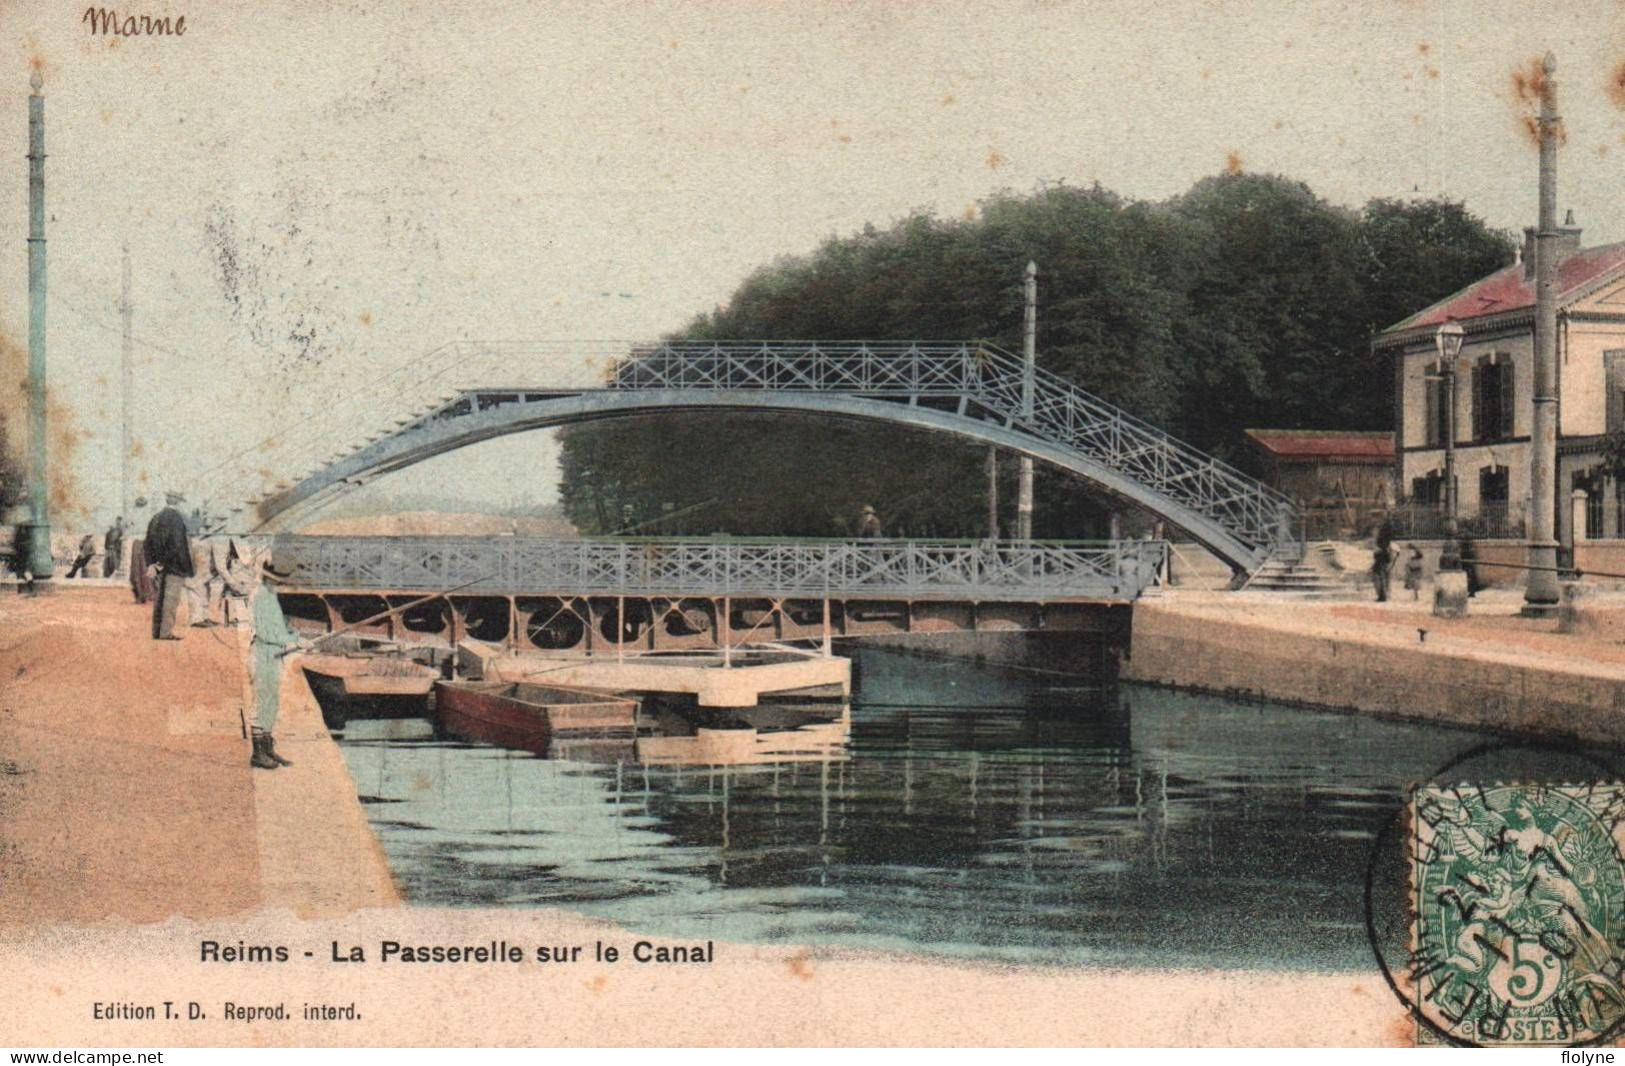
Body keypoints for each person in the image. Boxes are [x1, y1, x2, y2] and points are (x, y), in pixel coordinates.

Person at [248, 559, 307, 769]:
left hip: (275, 653)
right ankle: (257, 753)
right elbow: (266, 632)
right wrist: (293, 640)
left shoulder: (272, 595)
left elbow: (281, 625)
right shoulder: (261, 596)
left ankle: (267, 747)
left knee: (272, 700)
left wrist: (294, 634)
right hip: (262, 652)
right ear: (270, 578)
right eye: (281, 581)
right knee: (262, 699)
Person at [145, 491, 194, 640]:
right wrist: (164, 562)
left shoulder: (155, 518)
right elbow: (177, 545)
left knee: (159, 599)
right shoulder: (177, 519)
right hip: (174, 565)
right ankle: (166, 633)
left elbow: (147, 543)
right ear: (178, 502)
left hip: (158, 566)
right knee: (171, 600)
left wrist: (153, 563)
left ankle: (156, 632)